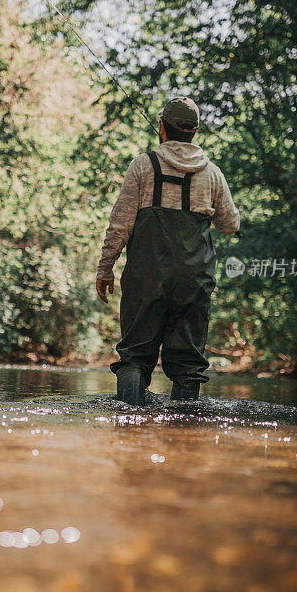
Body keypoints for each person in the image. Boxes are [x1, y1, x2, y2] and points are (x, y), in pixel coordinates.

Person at [96, 97, 240, 405]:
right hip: (193, 281)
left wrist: (105, 267)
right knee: (188, 365)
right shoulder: (213, 173)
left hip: (145, 278)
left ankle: (129, 428)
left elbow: (120, 224)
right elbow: (229, 224)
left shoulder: (143, 165)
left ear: (162, 127)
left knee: (135, 356)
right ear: (195, 132)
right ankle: (183, 437)